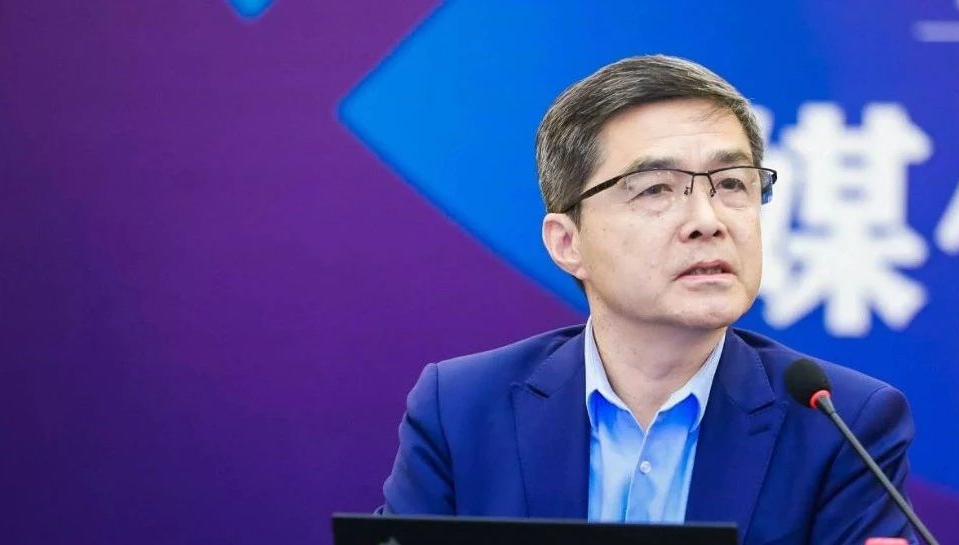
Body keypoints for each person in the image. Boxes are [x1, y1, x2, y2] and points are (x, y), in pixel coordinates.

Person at [379, 55, 919, 545]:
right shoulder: (462, 409)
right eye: (656, 189)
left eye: (733, 184)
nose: (708, 221)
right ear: (568, 243)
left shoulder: (840, 424)